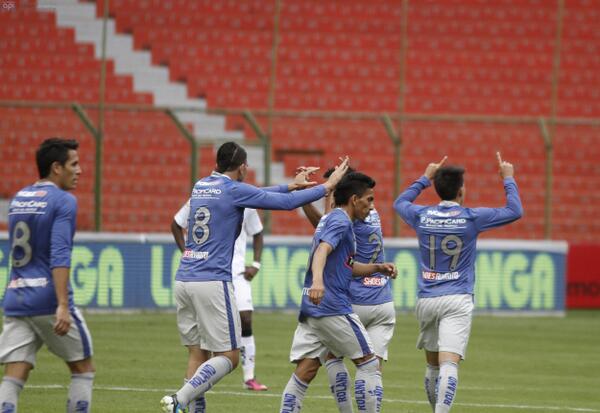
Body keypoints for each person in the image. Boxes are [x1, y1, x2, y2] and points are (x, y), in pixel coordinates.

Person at [160, 142, 349, 413]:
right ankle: (178, 399)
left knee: (198, 355)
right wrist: (327, 186)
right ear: (242, 167)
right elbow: (282, 204)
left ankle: (184, 405)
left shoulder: (201, 185)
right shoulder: (233, 190)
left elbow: (257, 194)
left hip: (184, 279)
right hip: (212, 280)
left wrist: (291, 186)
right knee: (229, 357)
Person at [393, 153, 523, 413]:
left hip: (427, 298)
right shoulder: (472, 217)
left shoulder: (422, 215)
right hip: (457, 298)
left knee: (432, 365)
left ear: (437, 187)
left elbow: (399, 203)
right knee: (449, 363)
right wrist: (508, 179)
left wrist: (424, 178)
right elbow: (515, 211)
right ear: (461, 190)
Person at [280, 172, 397, 413]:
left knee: (306, 370)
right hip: (331, 305)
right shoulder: (341, 221)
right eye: (369, 200)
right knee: (368, 364)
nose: (372, 206)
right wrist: (319, 282)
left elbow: (347, 266)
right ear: (354, 199)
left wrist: (377, 268)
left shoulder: (331, 219)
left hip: (312, 308)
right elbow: (322, 250)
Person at [0, 138, 95, 413]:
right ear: (56, 168)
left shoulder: (19, 198)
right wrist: (62, 304)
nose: (80, 171)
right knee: (83, 367)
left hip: (16, 296)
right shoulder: (64, 201)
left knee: (15, 371)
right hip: (47, 298)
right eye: (74, 164)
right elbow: (60, 254)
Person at [171, 206, 268, 391]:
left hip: (236, 274)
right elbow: (176, 223)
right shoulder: (199, 197)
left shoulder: (244, 199)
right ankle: (190, 392)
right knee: (206, 345)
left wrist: (256, 263)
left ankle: (249, 377)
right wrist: (186, 254)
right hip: (209, 274)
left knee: (245, 319)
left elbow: (258, 232)